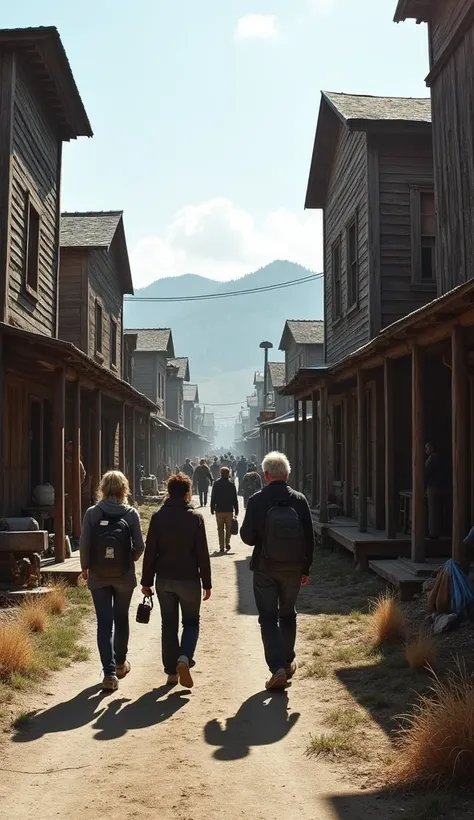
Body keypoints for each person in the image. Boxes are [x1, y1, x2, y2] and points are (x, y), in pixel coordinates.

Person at [240, 451, 315, 691]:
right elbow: (310, 539)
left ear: (266, 475)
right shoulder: (300, 500)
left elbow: (247, 537)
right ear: (288, 475)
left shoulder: (257, 499)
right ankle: (287, 660)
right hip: (294, 568)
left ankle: (277, 668)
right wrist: (306, 567)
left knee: (269, 618)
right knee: (288, 614)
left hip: (265, 567)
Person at [141, 472, 212, 688]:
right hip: (190, 579)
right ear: (187, 494)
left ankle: (171, 673)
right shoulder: (195, 518)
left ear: (169, 492)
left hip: (164, 580)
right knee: (191, 622)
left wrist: (146, 581)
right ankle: (184, 658)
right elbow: (202, 554)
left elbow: (150, 551)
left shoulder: (157, 517)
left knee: (168, 625)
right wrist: (207, 583)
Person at [80, 470, 145, 692]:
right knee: (121, 618)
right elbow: (140, 546)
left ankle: (108, 675)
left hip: (98, 575)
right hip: (124, 576)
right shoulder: (131, 514)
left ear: (103, 488)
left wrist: (85, 567)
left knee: (104, 623)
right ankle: (120, 664)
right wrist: (128, 560)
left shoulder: (92, 513)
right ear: (124, 489)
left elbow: (85, 544)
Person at [210, 466, 239, 553]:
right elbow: (235, 498)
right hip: (229, 510)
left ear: (221, 473)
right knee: (228, 529)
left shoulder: (216, 484)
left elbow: (213, 496)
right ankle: (227, 543)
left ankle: (221, 546)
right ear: (228, 474)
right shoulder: (231, 485)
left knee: (220, 529)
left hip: (219, 510)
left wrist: (212, 507)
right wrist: (236, 509)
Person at [65, 441, 86, 535]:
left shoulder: (77, 462)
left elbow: (83, 474)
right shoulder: (63, 460)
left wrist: (77, 486)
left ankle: (70, 531)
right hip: (64, 489)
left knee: (71, 511)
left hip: (72, 490)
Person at [425, 442, 444, 539]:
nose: (426, 451)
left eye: (427, 448)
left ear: (432, 448)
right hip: (439, 486)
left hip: (432, 487)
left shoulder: (432, 458)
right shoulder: (440, 458)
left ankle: (433, 533)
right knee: (437, 510)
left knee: (432, 510)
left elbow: (425, 472)